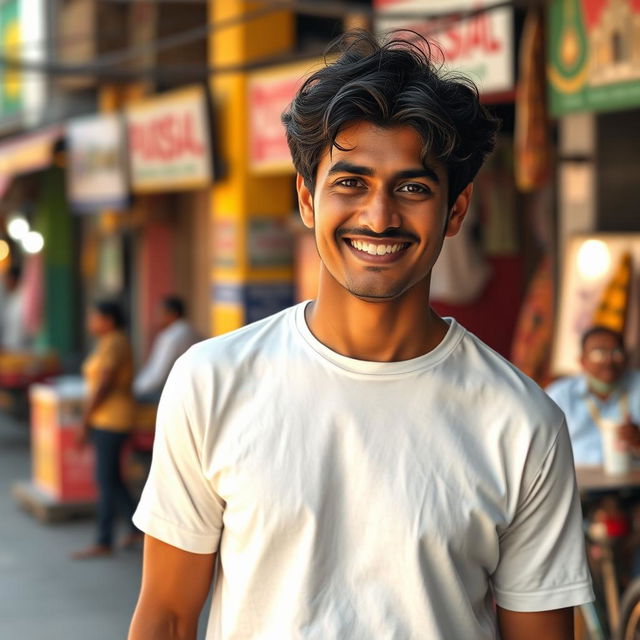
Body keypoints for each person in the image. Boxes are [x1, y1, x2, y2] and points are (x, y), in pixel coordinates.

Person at [129, 32, 593, 639]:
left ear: (456, 211)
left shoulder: (523, 423)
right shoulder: (211, 382)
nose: (379, 217)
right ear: (306, 198)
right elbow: (165, 616)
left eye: (413, 188)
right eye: (350, 183)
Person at [72, 300, 142, 559]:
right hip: (110, 419)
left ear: (108, 320)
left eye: (95, 317)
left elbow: (104, 383)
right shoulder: (110, 341)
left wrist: (85, 420)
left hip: (111, 420)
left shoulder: (114, 342)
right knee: (113, 479)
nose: (91, 322)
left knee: (105, 480)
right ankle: (135, 528)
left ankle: (104, 539)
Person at [546, 325, 640, 466]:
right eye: (598, 354)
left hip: (632, 484)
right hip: (579, 483)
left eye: (616, 353)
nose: (609, 361)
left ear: (626, 358)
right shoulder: (561, 395)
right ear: (582, 361)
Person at [133, 296, 200, 403]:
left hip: (176, 393)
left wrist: (136, 389)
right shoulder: (192, 331)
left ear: (171, 314)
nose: (158, 318)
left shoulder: (172, 336)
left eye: (160, 313)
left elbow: (158, 376)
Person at [0, 265, 29, 351]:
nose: (6, 282)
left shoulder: (24, 298)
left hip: (21, 348)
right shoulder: (10, 297)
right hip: (8, 346)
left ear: (13, 279)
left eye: (7, 279)